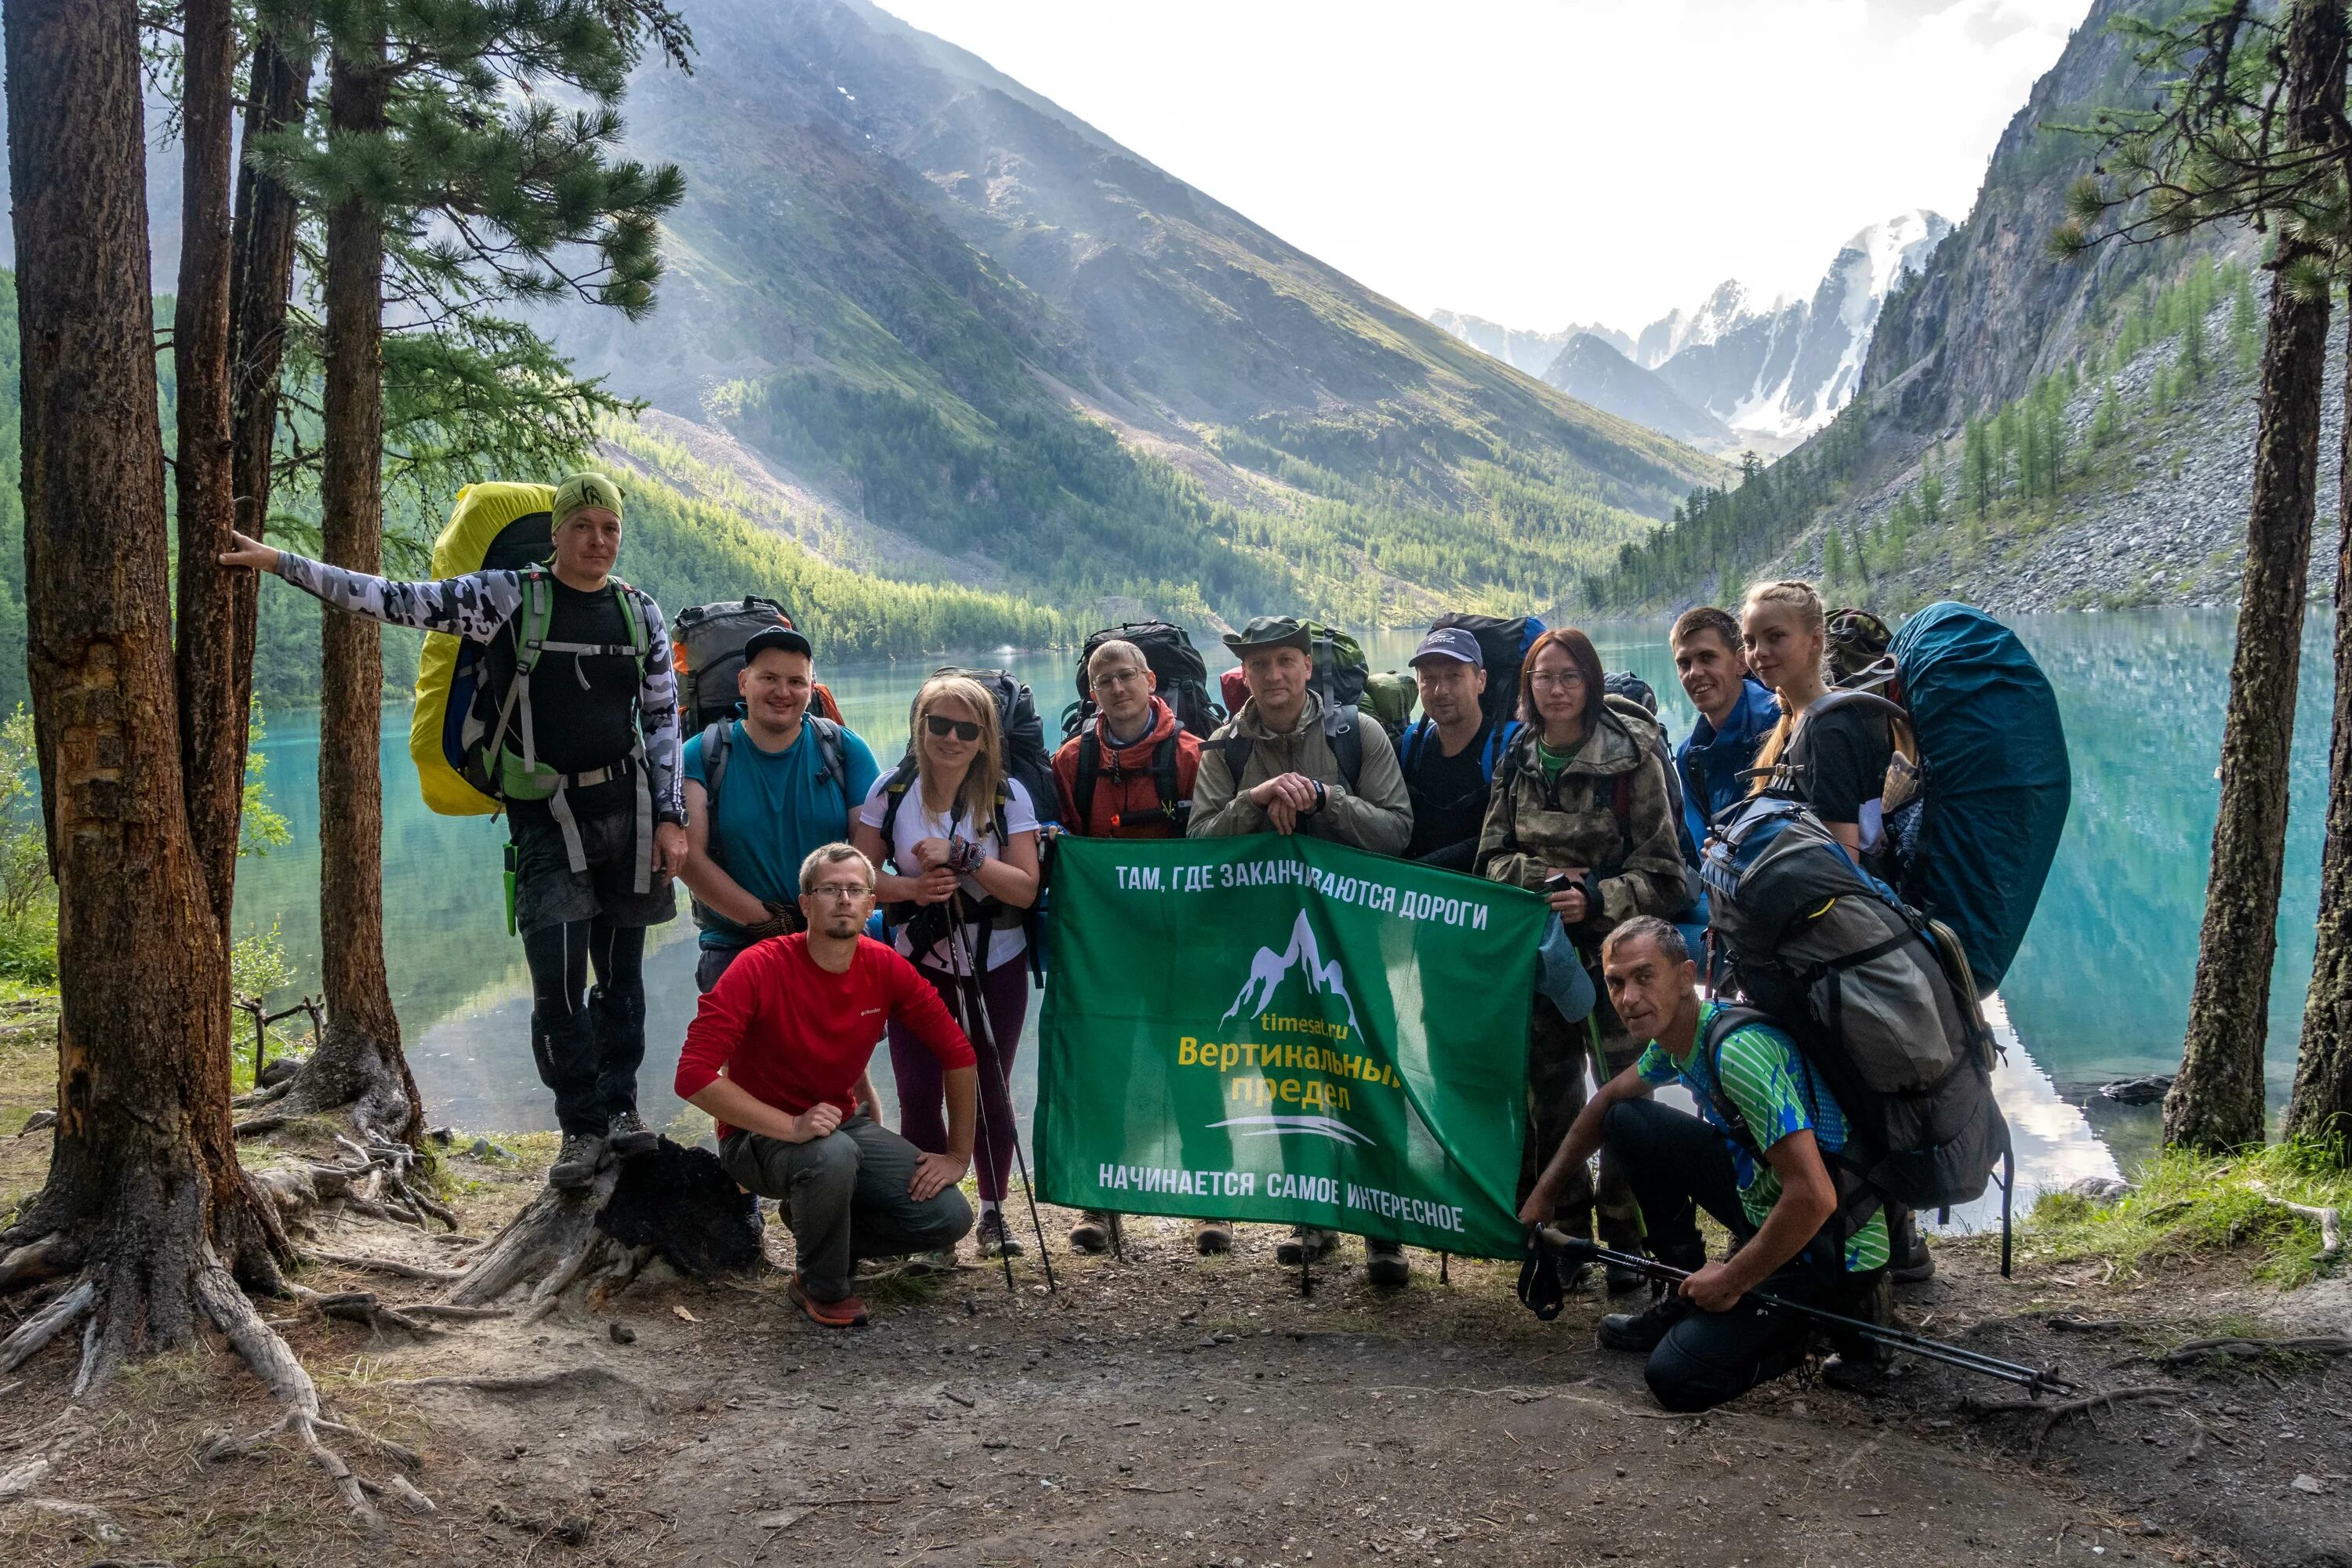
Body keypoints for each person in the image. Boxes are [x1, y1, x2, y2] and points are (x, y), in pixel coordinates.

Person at [220, 473, 685, 1191]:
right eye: (584, 525)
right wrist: (282, 562)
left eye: (610, 528)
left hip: (627, 816)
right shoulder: (505, 597)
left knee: (621, 979)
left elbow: (661, 721)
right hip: (544, 818)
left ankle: (622, 1112)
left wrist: (673, 818)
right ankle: (581, 1128)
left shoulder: (639, 613)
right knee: (558, 985)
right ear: (557, 532)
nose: (598, 540)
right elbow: (389, 598)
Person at [1518, 918, 1890, 1412]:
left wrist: (1733, 1278)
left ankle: (1815, 1327)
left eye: (1644, 977)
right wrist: (1545, 1193)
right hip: (1767, 1203)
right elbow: (1606, 1100)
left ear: (1684, 974)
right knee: (1628, 1118)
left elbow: (1816, 1196)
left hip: (1833, 1243)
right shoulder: (1682, 1036)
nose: (1628, 998)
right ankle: (1685, 1284)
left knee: (1676, 1379)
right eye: (1616, 982)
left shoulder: (1738, 1054)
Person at [1190, 615, 1413, 1282]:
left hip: (1353, 937)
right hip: (1265, 941)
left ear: (1308, 666)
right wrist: (1256, 801)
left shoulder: (1357, 734)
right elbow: (1201, 842)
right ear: (1246, 675)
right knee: (1290, 1070)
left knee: (1370, 1070)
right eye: (1261, 667)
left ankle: (1383, 1228)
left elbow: (1398, 831)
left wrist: (1323, 799)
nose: (1275, 677)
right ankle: (1312, 1219)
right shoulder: (1223, 751)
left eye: (1286, 662)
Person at [676, 844, 977, 1328]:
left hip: (839, 1127)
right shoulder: (759, 965)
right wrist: (791, 1126)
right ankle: (821, 1285)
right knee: (829, 1155)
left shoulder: (885, 967)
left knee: (947, 1217)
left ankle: (817, 1225)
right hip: (756, 1138)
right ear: (805, 903)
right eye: (830, 889)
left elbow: (959, 1054)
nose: (843, 899)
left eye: (855, 890)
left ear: (871, 904)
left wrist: (958, 1156)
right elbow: (693, 1075)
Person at [1475, 626, 1686, 1294]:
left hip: (1624, 966)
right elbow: (1489, 857)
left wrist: (1594, 895)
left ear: (1591, 682)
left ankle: (1628, 1240)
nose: (1556, 689)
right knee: (1550, 1100)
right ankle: (1568, 1238)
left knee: (1627, 1099)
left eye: (1569, 676)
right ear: (1528, 687)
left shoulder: (1633, 759)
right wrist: (1538, 881)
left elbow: (1670, 877)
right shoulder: (1518, 754)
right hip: (1540, 962)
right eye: (1544, 677)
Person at [1738, 580, 1931, 1283]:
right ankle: (1891, 1249)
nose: (1759, 653)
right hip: (1819, 946)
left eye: (1775, 638)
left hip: (1829, 948)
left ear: (1816, 641)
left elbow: (1843, 855)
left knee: (1841, 1097)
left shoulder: (1830, 723)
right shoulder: (1793, 724)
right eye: (1752, 640)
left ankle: (1876, 1262)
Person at [851, 674, 1042, 1264]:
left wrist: (965, 857)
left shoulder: (1009, 796)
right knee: (916, 1090)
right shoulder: (891, 791)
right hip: (916, 964)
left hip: (997, 962)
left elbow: (1027, 887)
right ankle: (931, 1223)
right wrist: (913, 886)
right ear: (921, 727)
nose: (952, 739)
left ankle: (992, 1212)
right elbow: (858, 878)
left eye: (967, 729)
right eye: (940, 725)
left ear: (986, 737)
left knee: (991, 1087)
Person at [1051, 638, 1203, 1254]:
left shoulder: (1192, 757)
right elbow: (1059, 845)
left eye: (1125, 676)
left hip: (1180, 944)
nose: (1116, 688)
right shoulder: (1070, 763)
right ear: (1092, 693)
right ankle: (1099, 1200)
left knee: (1192, 1063)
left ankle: (1207, 1202)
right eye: (1103, 680)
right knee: (1104, 1068)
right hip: (1105, 945)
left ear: (1150, 680)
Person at [679, 625, 881, 993]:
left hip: (834, 938)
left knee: (839, 1051)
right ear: (744, 681)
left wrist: (821, 915)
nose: (783, 692)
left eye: (796, 681)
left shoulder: (843, 749)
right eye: (768, 678)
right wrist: (765, 922)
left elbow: (867, 854)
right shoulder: (701, 754)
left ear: (811, 686)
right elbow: (689, 857)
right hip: (736, 945)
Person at [1397, 626, 1516, 869]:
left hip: (1484, 896)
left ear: (1481, 680)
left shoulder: (1510, 749)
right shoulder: (1409, 747)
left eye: (1454, 676)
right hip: (1415, 898)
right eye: (1429, 678)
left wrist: (1423, 869)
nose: (1441, 690)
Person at [1669, 606, 1777, 853]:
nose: (1694, 673)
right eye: (1684, 663)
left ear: (1741, 662)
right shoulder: (1690, 757)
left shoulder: (1782, 725)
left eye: (1707, 657)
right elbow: (1702, 849)